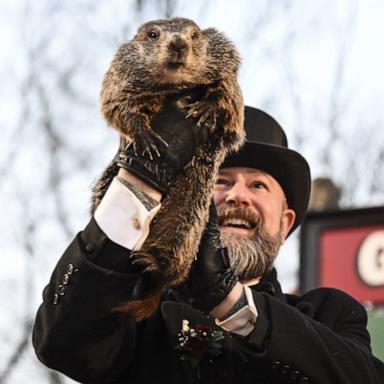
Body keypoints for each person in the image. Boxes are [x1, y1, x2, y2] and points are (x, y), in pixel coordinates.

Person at [32, 104, 384, 384]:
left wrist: (229, 301)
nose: (237, 196)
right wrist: (134, 188)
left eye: (258, 185)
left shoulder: (328, 314)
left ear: (285, 223)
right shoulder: (142, 306)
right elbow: (63, 343)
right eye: (221, 180)